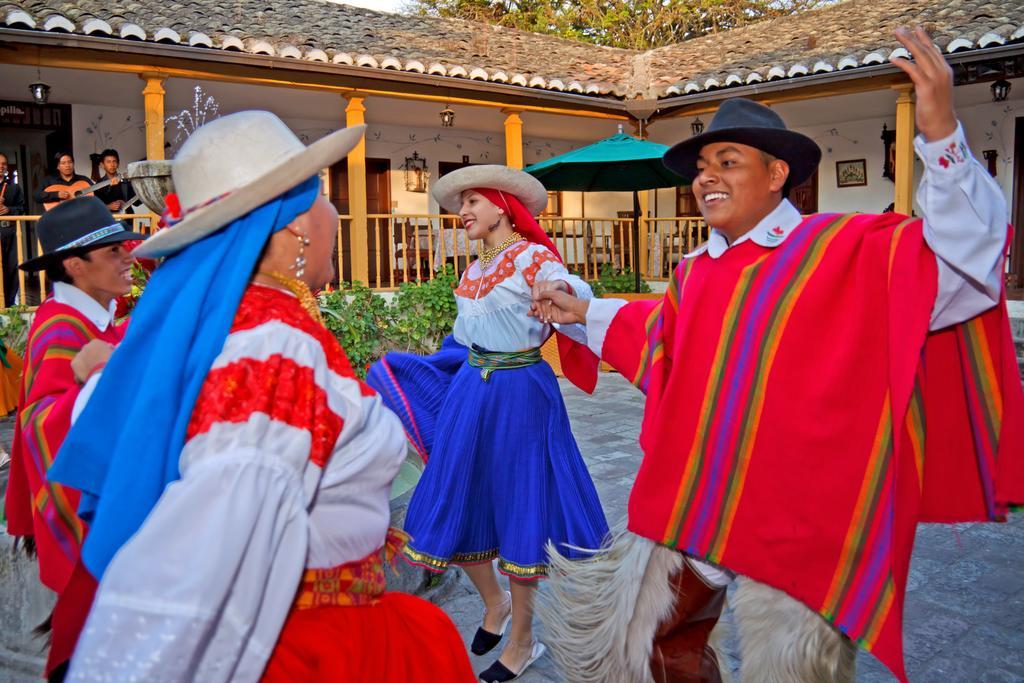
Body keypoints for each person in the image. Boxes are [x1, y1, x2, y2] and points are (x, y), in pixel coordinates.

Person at [533, 27, 1023, 683]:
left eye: (727, 161)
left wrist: (941, 140)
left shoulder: (846, 250)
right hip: (699, 501)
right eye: (702, 168)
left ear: (777, 173)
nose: (706, 176)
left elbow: (964, 263)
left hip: (800, 526)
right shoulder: (694, 274)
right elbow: (663, 342)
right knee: (657, 648)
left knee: (791, 671)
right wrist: (584, 310)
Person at [48, 111, 474, 682]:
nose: (336, 213)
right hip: (316, 652)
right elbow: (203, 561)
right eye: (325, 195)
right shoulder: (274, 348)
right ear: (296, 224)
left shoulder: (229, 326)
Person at [366, 165, 609, 682]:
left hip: (521, 394)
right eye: (461, 204)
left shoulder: (534, 258)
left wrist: (559, 290)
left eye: (473, 201)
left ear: (502, 205)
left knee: (522, 507)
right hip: (471, 392)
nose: (463, 212)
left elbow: (564, 288)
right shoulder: (474, 268)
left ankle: (522, 641)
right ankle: (494, 602)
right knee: (456, 494)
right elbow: (465, 339)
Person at [3, 196, 145, 681]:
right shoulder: (62, 329)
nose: (128, 256)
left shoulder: (92, 319)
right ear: (73, 264)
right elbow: (44, 431)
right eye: (112, 252)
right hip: (92, 524)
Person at [0, 151, 27, 306]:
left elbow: (22, 208)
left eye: (3, 163)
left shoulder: (14, 187)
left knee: (12, 267)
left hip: (10, 230)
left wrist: (9, 210)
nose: (1, 166)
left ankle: (10, 303)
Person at [91, 149, 136, 213]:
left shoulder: (126, 181)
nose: (112, 165)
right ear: (102, 165)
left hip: (127, 219)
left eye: (114, 161)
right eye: (108, 162)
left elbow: (137, 203)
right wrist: (108, 206)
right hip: (108, 219)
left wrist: (125, 204)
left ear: (118, 163)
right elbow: (95, 207)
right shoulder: (99, 185)